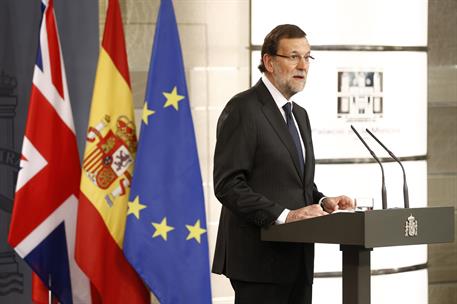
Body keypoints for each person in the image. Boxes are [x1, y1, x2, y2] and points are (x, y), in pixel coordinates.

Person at [212, 24, 355, 304]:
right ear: (268, 62)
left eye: (307, 57)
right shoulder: (244, 109)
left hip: (297, 258)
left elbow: (296, 183)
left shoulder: (299, 115)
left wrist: (324, 200)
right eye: (293, 57)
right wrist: (284, 215)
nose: (303, 65)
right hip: (259, 261)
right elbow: (228, 185)